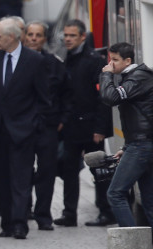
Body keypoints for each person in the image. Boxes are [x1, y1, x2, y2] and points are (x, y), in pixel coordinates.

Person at [0, 18, 49, 239]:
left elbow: (43, 98)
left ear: (11, 37)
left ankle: (19, 223)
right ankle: (6, 222)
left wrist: (35, 125)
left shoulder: (34, 60)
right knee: (1, 180)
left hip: (24, 131)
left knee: (21, 180)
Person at [53, 19, 114, 227]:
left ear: (82, 37)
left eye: (72, 36)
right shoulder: (65, 58)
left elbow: (103, 98)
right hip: (71, 126)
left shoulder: (93, 60)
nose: (67, 39)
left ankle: (105, 210)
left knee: (98, 171)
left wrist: (100, 128)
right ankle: (69, 213)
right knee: (69, 171)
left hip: (90, 126)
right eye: (66, 35)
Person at [24, 21, 71, 231]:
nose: (34, 38)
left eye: (38, 35)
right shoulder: (18, 61)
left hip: (48, 124)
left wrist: (62, 119)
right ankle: (24, 209)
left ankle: (43, 215)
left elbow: (67, 94)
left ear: (44, 39)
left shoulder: (54, 63)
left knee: (47, 171)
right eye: (30, 34)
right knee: (22, 171)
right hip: (22, 125)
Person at [100, 42, 153, 227]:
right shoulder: (134, 77)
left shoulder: (138, 78)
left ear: (128, 60)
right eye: (109, 59)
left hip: (141, 147)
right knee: (149, 201)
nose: (110, 64)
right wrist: (126, 147)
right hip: (140, 144)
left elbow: (111, 97)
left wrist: (106, 75)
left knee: (115, 193)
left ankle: (133, 246)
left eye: (115, 60)